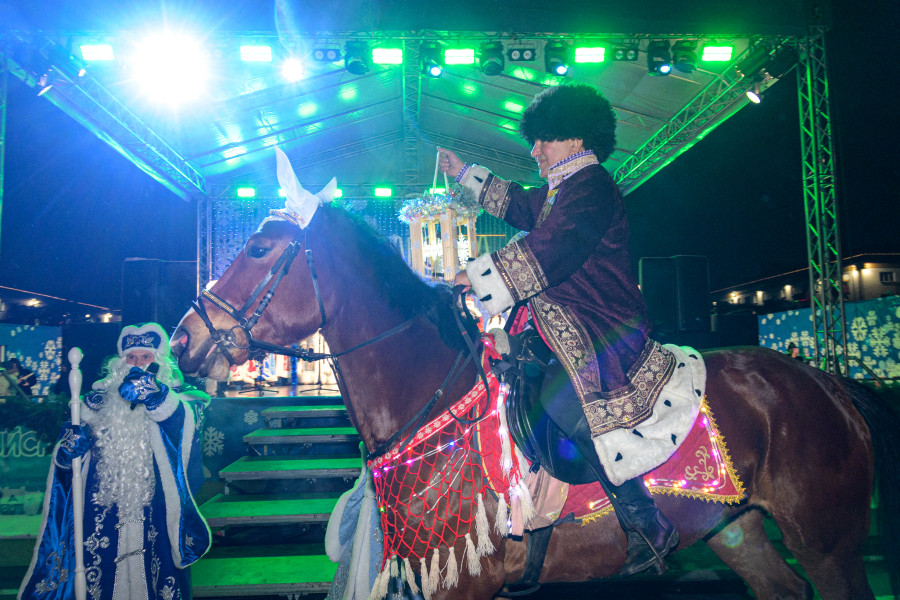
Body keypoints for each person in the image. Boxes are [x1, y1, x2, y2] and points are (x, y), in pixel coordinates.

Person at [439, 82, 679, 576]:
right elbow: (523, 208)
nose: (535, 151)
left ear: (574, 139)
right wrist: (463, 173)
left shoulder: (590, 188)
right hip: (557, 322)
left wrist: (478, 274)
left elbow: (552, 248)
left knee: (568, 406)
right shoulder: (565, 188)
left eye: (543, 140)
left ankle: (646, 523)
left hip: (600, 325)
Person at [19, 323, 212, 600]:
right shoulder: (94, 404)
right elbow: (70, 460)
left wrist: (156, 396)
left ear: (160, 363)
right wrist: (68, 452)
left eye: (146, 357)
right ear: (119, 364)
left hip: (155, 512)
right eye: (131, 358)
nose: (137, 364)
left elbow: (183, 430)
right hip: (104, 513)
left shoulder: (183, 400)